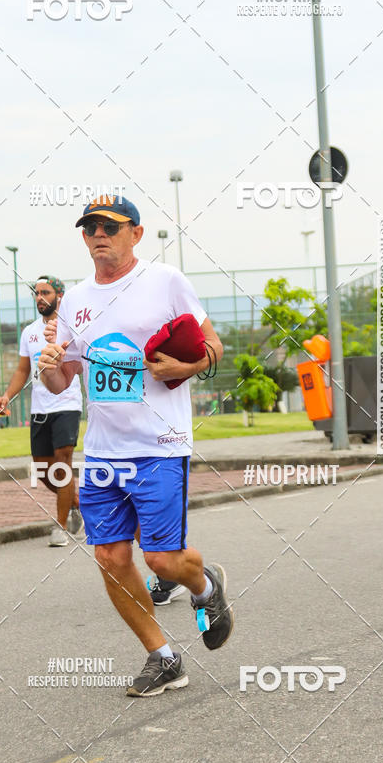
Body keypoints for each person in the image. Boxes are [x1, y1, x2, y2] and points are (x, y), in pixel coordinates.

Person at [39, 194, 233, 697]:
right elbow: (65, 381)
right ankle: (163, 657)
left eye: (110, 226)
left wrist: (188, 367)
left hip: (160, 446)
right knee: (109, 558)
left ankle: (206, 587)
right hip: (103, 451)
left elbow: (214, 346)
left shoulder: (166, 281)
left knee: (163, 562)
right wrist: (52, 365)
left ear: (136, 234)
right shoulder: (75, 299)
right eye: (89, 228)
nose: (98, 234)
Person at [0, 275, 84, 546]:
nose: (39, 297)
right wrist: (7, 396)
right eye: (36, 293)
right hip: (40, 408)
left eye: (45, 292)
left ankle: (60, 527)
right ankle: (78, 504)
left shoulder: (70, 330)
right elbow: (23, 369)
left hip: (67, 404)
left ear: (59, 295)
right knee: (43, 468)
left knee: (63, 462)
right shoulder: (30, 332)